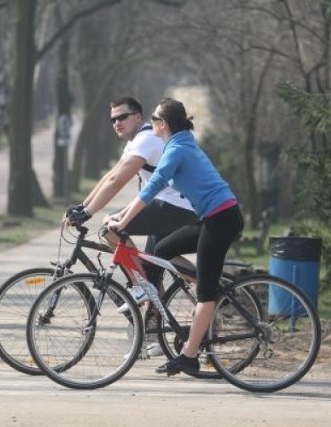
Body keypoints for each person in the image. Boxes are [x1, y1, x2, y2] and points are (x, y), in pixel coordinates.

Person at [107, 97, 244, 376]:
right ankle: (212, 289)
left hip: (222, 220)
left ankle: (189, 355)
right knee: (162, 250)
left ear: (162, 124)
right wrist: (122, 217)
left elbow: (152, 189)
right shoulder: (180, 142)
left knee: (204, 295)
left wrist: (123, 220)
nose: (151, 124)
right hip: (212, 217)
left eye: (154, 119)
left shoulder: (176, 150)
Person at [66, 96, 199, 354]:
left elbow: (117, 182)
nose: (116, 123)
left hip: (178, 205)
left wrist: (89, 213)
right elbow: (110, 175)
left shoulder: (147, 140)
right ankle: (157, 333)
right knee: (154, 264)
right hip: (169, 205)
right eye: (113, 119)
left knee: (111, 230)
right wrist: (83, 207)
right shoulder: (137, 142)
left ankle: (142, 288)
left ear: (139, 117)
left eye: (122, 117)